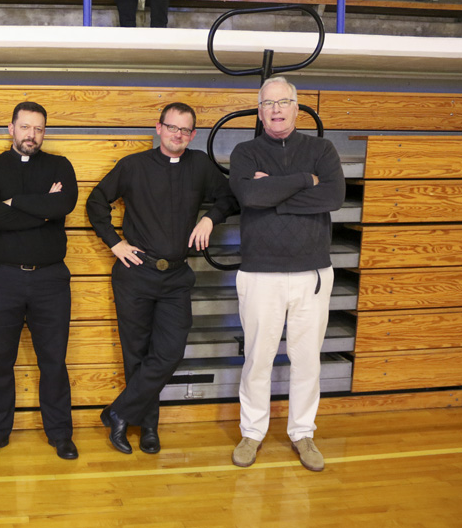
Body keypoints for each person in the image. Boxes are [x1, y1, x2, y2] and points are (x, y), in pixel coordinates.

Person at [87, 102, 238, 454]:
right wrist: (115, 243)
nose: (177, 135)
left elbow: (231, 198)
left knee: (169, 353)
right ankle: (148, 428)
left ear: (193, 135)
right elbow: (96, 202)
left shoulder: (200, 165)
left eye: (185, 130)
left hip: (176, 277)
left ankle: (119, 412)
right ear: (159, 128)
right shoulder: (133, 165)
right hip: (135, 274)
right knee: (136, 354)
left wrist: (210, 218)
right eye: (172, 127)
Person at [228, 77, 345, 472]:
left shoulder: (321, 150)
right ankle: (252, 432)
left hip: (312, 274)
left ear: (297, 107)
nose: (276, 109)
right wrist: (303, 181)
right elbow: (250, 196)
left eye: (283, 102)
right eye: (268, 103)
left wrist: (273, 193)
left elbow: (333, 196)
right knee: (257, 360)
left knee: (307, 360)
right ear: (259, 112)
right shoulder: (245, 152)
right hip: (260, 274)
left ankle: (303, 433)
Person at [0, 101, 79, 461]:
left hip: (50, 280)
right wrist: (42, 209)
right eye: (25, 127)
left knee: (54, 361)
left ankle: (60, 434)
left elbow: (63, 205)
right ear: (11, 129)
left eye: (38, 128)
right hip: (0, 279)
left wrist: (14, 202)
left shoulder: (60, 166)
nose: (31, 134)